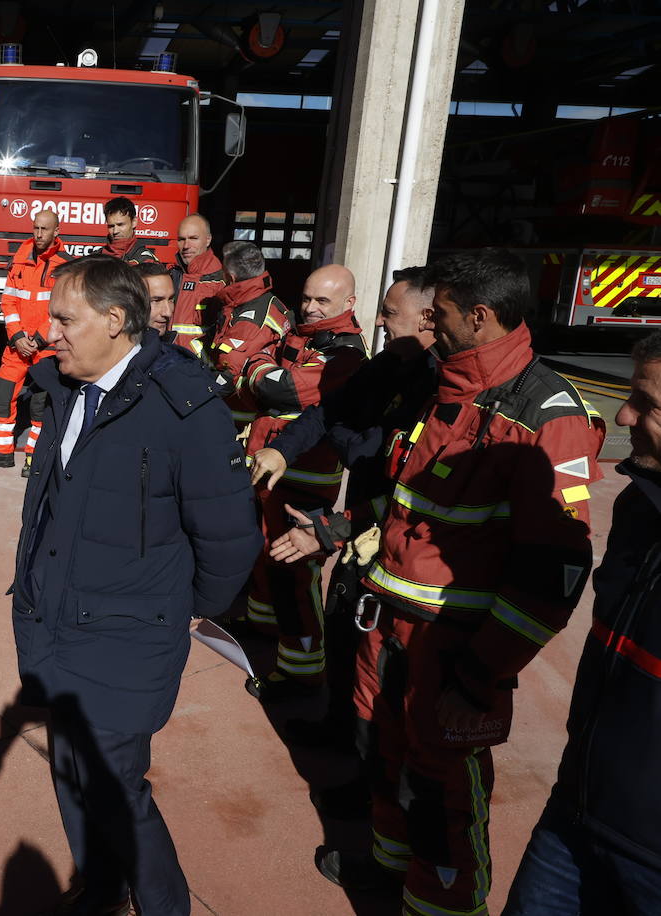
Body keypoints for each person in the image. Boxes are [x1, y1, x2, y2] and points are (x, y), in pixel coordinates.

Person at [273, 249, 605, 916]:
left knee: (441, 800)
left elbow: (554, 575)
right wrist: (333, 530)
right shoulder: (446, 389)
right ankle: (391, 880)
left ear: (479, 317)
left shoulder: (549, 416)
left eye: (442, 312)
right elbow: (405, 500)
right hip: (390, 630)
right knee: (387, 772)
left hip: (453, 656)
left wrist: (478, 677)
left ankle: (443, 905)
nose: (431, 322)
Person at [11, 255, 261, 915]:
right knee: (71, 770)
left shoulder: (185, 405)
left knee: (116, 784)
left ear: (115, 321)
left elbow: (231, 537)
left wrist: (189, 610)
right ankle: (102, 888)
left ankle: (161, 904)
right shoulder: (65, 385)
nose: (50, 330)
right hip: (54, 621)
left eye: (65, 318)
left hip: (129, 635)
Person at [251, 268, 436, 788]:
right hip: (359, 528)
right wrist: (281, 449)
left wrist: (334, 527)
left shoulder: (433, 384)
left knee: (379, 665)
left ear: (426, 317)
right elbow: (329, 412)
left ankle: (361, 781)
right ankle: (337, 731)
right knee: (342, 624)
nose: (379, 320)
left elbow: (395, 472)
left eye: (389, 312)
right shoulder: (386, 366)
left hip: (391, 538)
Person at [502, 331, 661, 915]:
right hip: (578, 805)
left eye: (649, 405)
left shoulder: (559, 414)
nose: (623, 415)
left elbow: (558, 556)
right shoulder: (640, 505)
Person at [237, 265, 367, 702]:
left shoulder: (345, 355)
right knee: (263, 552)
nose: (310, 307)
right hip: (270, 470)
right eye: (307, 297)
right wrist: (262, 368)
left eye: (322, 301)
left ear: (348, 304)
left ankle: (301, 673)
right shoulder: (306, 334)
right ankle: (261, 625)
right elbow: (266, 378)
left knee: (295, 573)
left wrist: (257, 363)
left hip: (305, 480)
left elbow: (278, 388)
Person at [0, 208, 68, 475]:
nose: (39, 234)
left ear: (56, 231)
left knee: (40, 405)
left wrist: (37, 340)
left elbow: (62, 310)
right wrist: (16, 336)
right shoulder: (20, 258)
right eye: (36, 228)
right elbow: (9, 300)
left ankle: (34, 457)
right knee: (2, 395)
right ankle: (1, 452)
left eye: (45, 229)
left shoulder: (65, 264)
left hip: (46, 348)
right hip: (17, 346)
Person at [207, 241, 291, 430]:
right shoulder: (266, 301)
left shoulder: (251, 318)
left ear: (231, 277)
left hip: (241, 421)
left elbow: (227, 373)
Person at [168, 215, 225, 356]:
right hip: (168, 363)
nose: (186, 246)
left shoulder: (221, 282)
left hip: (198, 368)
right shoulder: (171, 275)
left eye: (193, 238)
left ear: (208, 240)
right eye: (181, 239)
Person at [98, 197, 159, 266]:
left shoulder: (146, 261)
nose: (115, 231)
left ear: (134, 222)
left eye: (120, 225)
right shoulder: (96, 258)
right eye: (111, 226)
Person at [137, 261, 178, 344]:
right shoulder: (109, 354)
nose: (168, 313)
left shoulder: (174, 354)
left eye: (170, 299)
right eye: (156, 300)